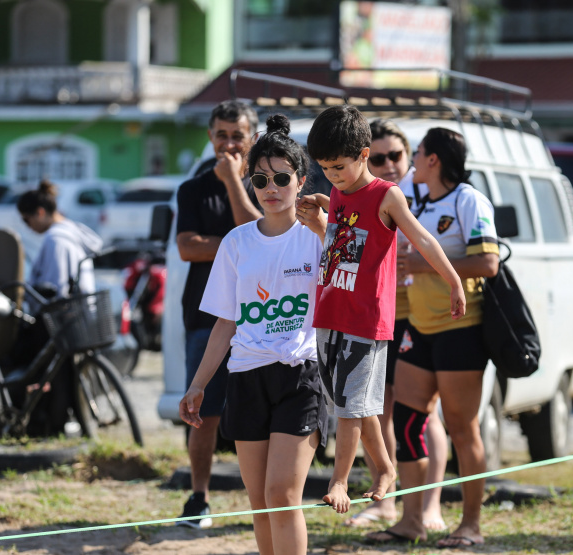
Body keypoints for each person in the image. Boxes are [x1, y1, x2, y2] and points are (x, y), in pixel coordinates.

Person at [301, 105, 466, 515]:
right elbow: (341, 244)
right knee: (353, 404)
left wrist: (453, 280)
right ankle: (386, 468)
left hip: (365, 320)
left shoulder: (387, 195)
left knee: (350, 410)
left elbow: (424, 240)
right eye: (325, 168)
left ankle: (340, 479)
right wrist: (321, 217)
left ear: (362, 154)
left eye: (339, 166)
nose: (334, 175)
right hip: (328, 313)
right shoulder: (339, 192)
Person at [179, 114, 327, 555]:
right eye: (261, 180)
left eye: (282, 177)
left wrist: (327, 231)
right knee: (261, 503)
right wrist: (198, 384)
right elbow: (225, 321)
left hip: (299, 375)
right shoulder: (237, 242)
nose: (272, 188)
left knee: (283, 496)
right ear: (250, 183)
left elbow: (352, 289)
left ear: (301, 181)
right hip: (246, 377)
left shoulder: (317, 238)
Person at [365, 127, 499, 548]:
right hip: (418, 328)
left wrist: (424, 266)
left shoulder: (468, 200)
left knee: (462, 428)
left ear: (434, 159)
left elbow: (488, 262)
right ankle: (411, 520)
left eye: (418, 153)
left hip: (461, 330)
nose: (411, 162)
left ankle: (470, 525)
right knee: (407, 423)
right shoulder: (419, 201)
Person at [343, 119, 450, 532]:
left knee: (423, 416)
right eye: (379, 156)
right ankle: (385, 500)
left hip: (420, 319)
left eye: (396, 156)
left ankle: (429, 506)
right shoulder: (362, 197)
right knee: (378, 412)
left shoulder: (426, 202)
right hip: (376, 319)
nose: (388, 164)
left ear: (411, 158)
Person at [175, 100, 262, 527]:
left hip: (262, 317)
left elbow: (260, 240)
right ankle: (198, 498)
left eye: (237, 135)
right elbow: (187, 247)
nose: (228, 144)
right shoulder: (192, 189)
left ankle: (264, 504)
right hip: (205, 316)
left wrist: (234, 183)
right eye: (221, 134)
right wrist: (235, 242)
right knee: (204, 412)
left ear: (253, 139)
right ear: (210, 137)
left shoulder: (269, 183)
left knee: (260, 413)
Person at [16, 178, 104, 435]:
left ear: (40, 212)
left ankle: (46, 423)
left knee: (28, 356)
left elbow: (53, 289)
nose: (27, 226)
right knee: (65, 373)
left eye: (26, 219)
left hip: (61, 317)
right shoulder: (74, 231)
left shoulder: (56, 240)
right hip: (80, 315)